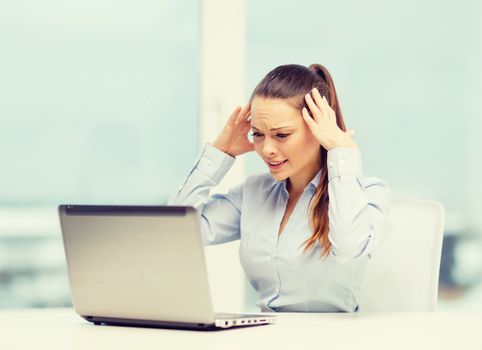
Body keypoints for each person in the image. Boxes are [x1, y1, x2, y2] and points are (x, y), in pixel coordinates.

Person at [168, 63, 391, 313]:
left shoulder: (367, 193)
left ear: (319, 128)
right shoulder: (254, 193)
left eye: (282, 135)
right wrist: (220, 152)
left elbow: (349, 247)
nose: (267, 149)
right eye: (258, 134)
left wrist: (343, 152)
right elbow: (177, 233)